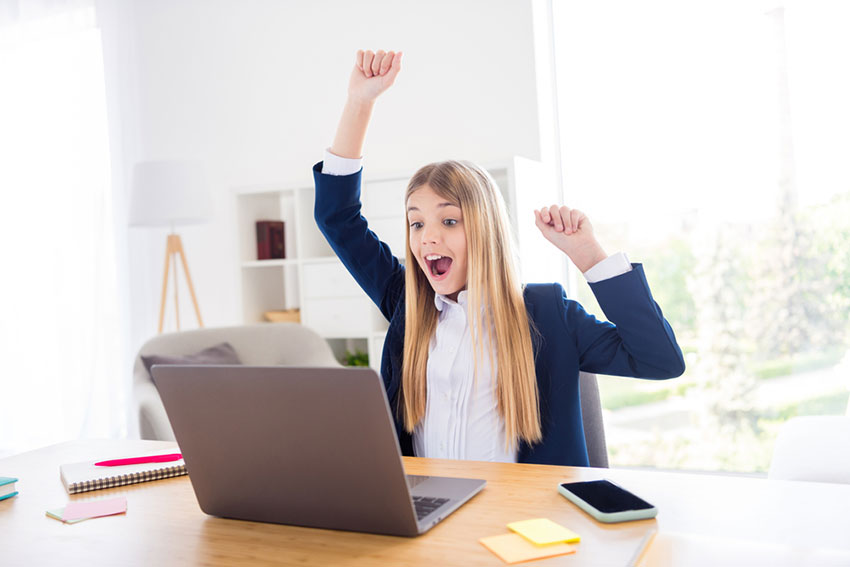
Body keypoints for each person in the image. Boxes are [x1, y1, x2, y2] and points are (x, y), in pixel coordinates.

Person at [312, 49, 685, 466]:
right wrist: (360, 102)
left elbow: (659, 360)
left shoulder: (547, 314)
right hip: (425, 512)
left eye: (449, 221)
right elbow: (336, 217)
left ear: (485, 230)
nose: (427, 239)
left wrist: (590, 257)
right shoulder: (407, 302)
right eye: (417, 224)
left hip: (516, 521)